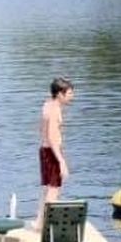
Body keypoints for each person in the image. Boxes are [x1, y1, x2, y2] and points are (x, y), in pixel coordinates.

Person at [39, 77, 75, 206]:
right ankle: (47, 224)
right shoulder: (54, 110)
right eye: (70, 93)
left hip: (45, 150)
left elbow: (42, 130)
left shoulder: (47, 105)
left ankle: (40, 222)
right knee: (53, 189)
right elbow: (52, 137)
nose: (72, 96)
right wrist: (61, 161)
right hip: (51, 151)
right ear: (60, 94)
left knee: (48, 188)